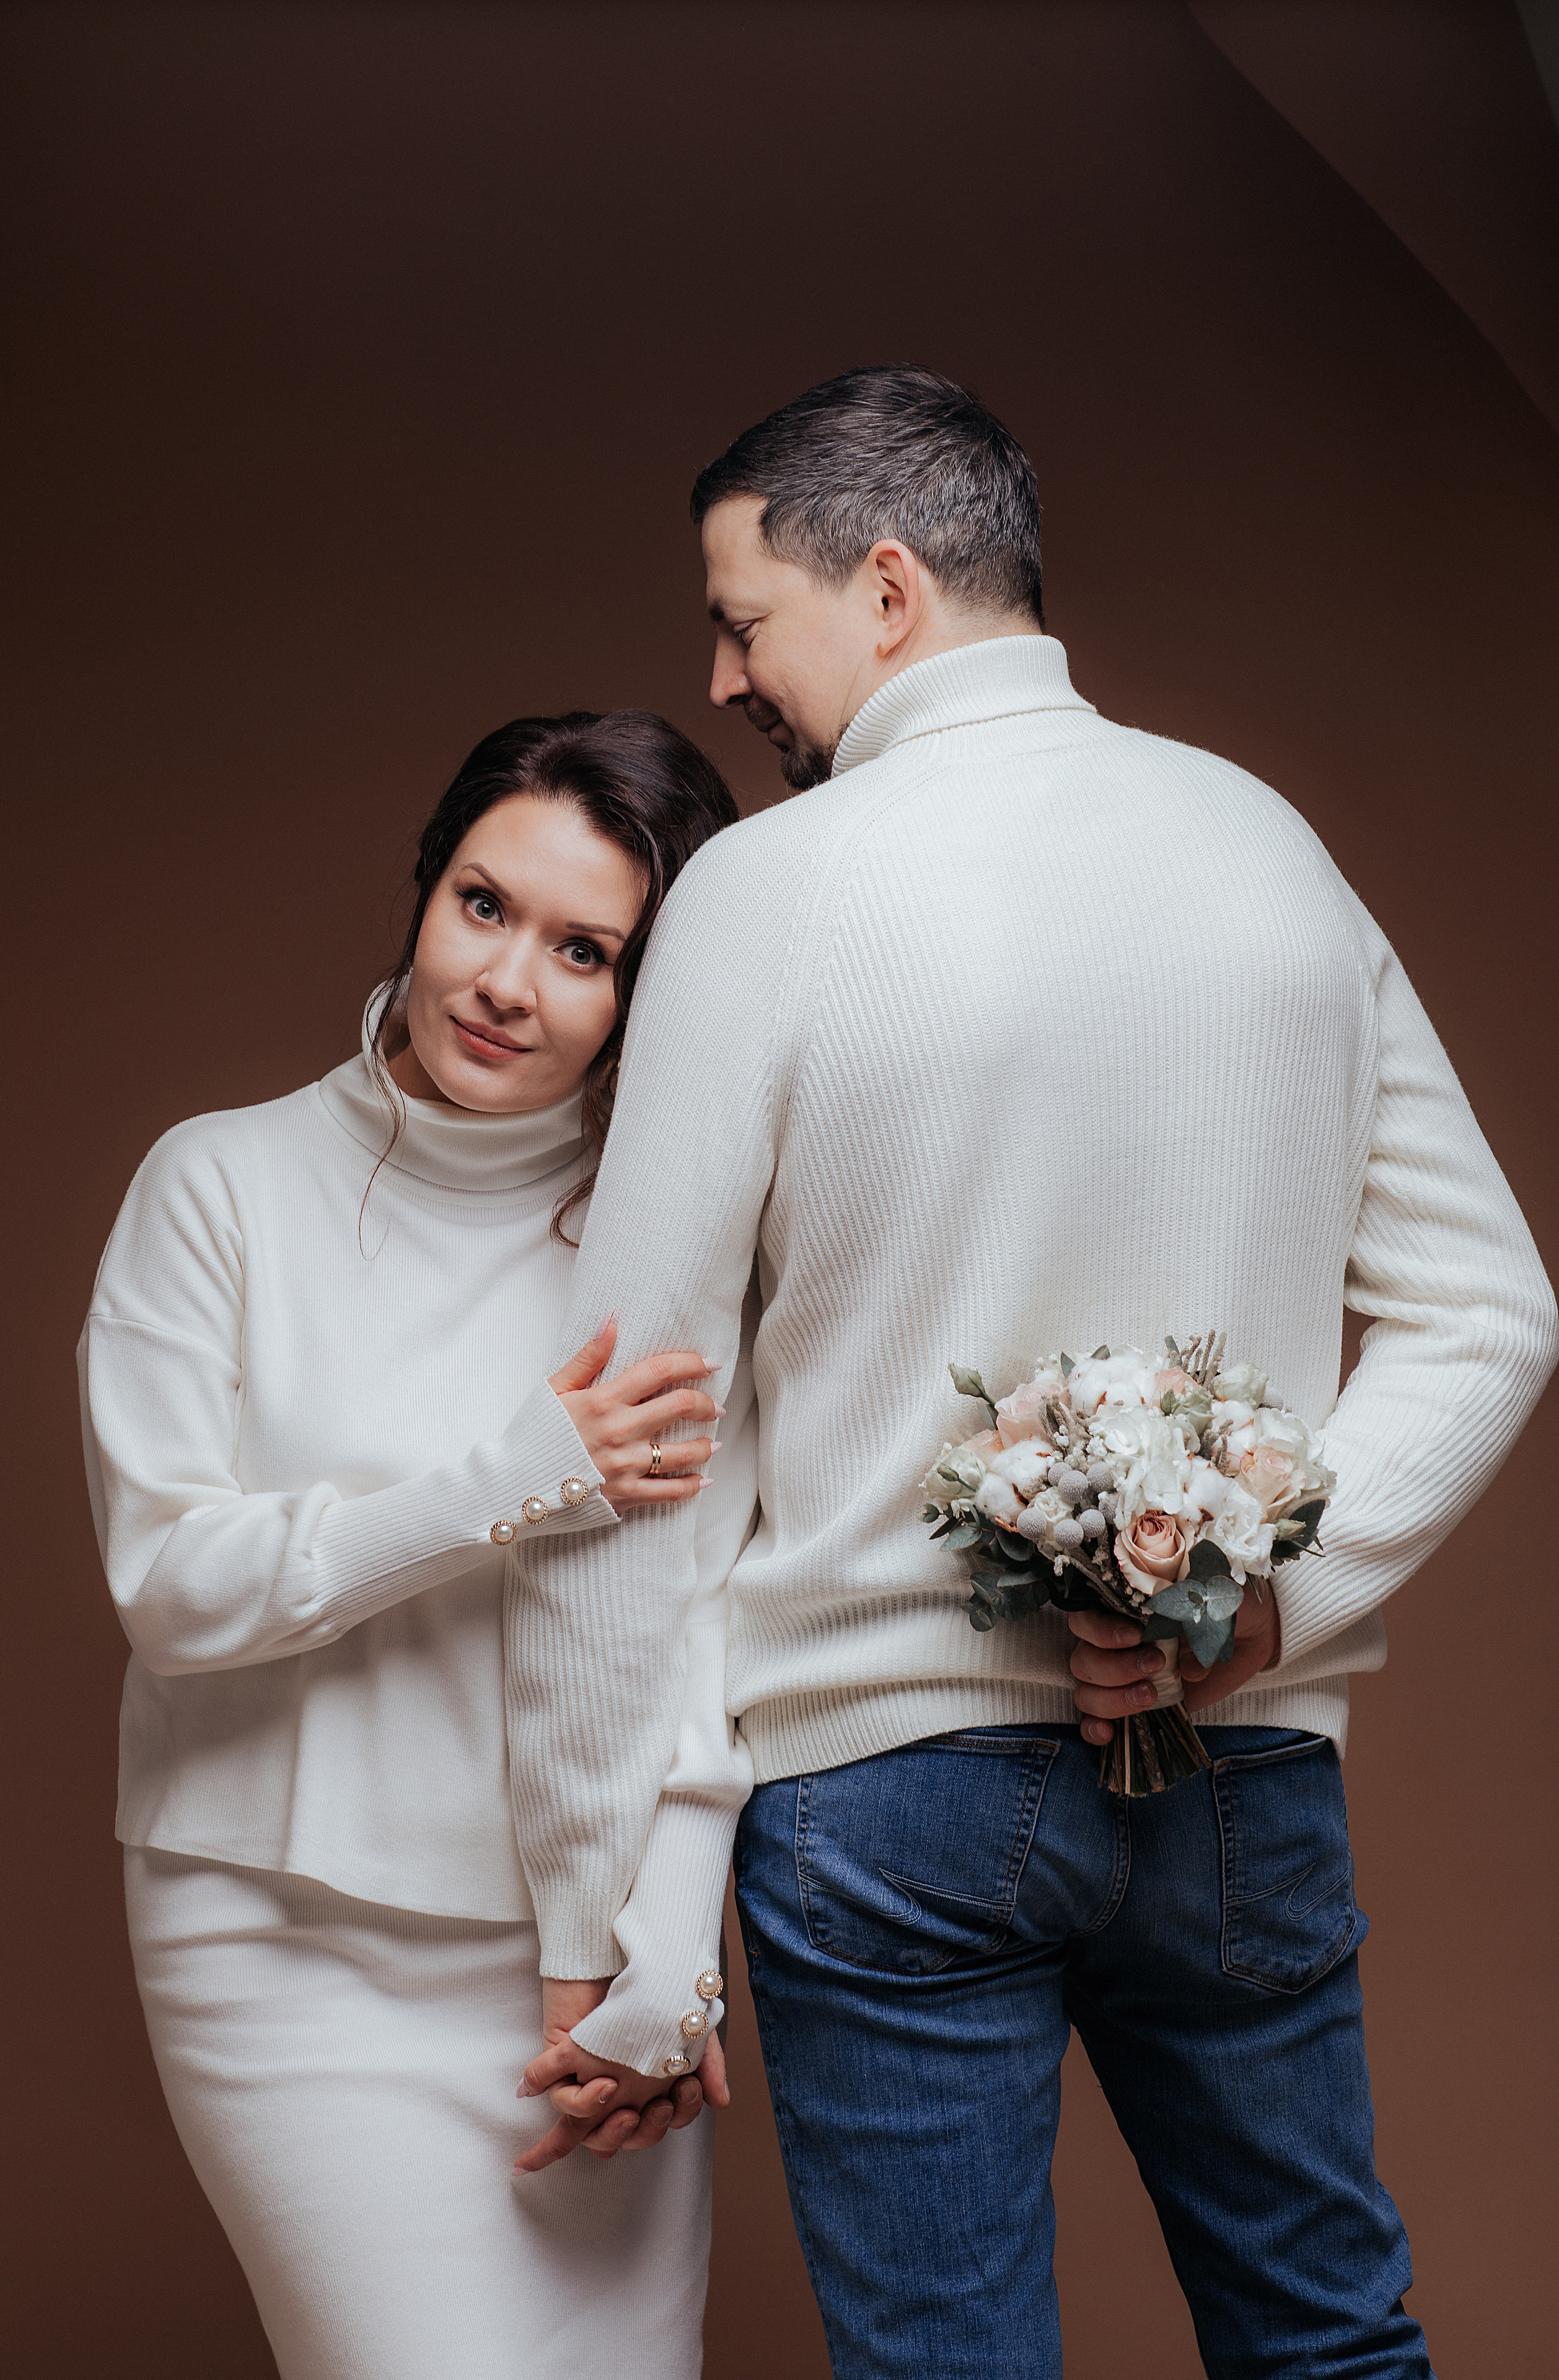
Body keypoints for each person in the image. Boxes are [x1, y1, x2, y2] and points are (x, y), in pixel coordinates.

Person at [507, 369, 1557, 2378]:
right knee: (1331, 2345)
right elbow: (1494, 1310)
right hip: (1237, 1765)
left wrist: (590, 1914)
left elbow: (635, 1429)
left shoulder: (765, 892)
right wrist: (1268, 1605)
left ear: (889, 589)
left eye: (744, 619)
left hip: (881, 1791)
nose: (723, 677)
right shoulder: (1268, 846)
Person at [79, 711, 758, 2380]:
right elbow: (173, 1587)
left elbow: (711, 1623)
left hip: (577, 1973)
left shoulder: (669, 1250)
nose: (507, 983)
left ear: (648, 996)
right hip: (278, 1944)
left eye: (585, 951)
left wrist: (668, 1962)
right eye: (483, 904)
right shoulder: (220, 1185)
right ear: (426, 887)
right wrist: (514, 1479)